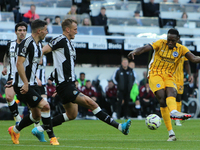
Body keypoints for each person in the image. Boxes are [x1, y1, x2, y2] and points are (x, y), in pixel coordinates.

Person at [32, 19, 131, 140]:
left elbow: (61, 66)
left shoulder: (69, 44)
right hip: (66, 86)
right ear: (67, 30)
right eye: (75, 29)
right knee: (92, 103)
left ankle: (39, 129)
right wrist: (38, 60)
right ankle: (120, 127)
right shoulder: (60, 40)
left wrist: (57, 82)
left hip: (66, 85)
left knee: (71, 115)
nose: (76, 32)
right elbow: (42, 50)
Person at [128, 28, 200, 141]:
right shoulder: (160, 43)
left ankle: (173, 115)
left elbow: (194, 58)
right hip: (155, 74)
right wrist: (135, 52)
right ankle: (171, 131)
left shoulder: (181, 49)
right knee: (162, 98)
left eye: (172, 40)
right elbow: (145, 48)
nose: (170, 42)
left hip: (169, 76)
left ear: (178, 39)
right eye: (168, 39)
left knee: (172, 92)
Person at [8, 19, 59, 145]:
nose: (47, 32)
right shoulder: (27, 43)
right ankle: (52, 137)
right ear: (39, 31)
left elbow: (30, 65)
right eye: (46, 30)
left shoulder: (38, 45)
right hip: (22, 85)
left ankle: (14, 130)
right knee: (46, 106)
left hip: (32, 84)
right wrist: (25, 83)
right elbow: (19, 64)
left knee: (36, 116)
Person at [2, 22, 27, 125]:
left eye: (24, 30)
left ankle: (37, 125)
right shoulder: (10, 44)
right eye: (20, 30)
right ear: (16, 32)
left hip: (25, 77)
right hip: (12, 76)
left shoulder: (29, 45)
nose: (22, 33)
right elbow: (6, 56)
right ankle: (17, 118)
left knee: (32, 104)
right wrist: (4, 67)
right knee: (8, 97)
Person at [173, 55, 192, 126]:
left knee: (178, 97)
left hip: (179, 79)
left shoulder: (183, 51)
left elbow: (187, 63)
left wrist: (189, 74)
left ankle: (177, 118)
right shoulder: (169, 48)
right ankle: (169, 115)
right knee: (170, 96)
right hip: (170, 77)